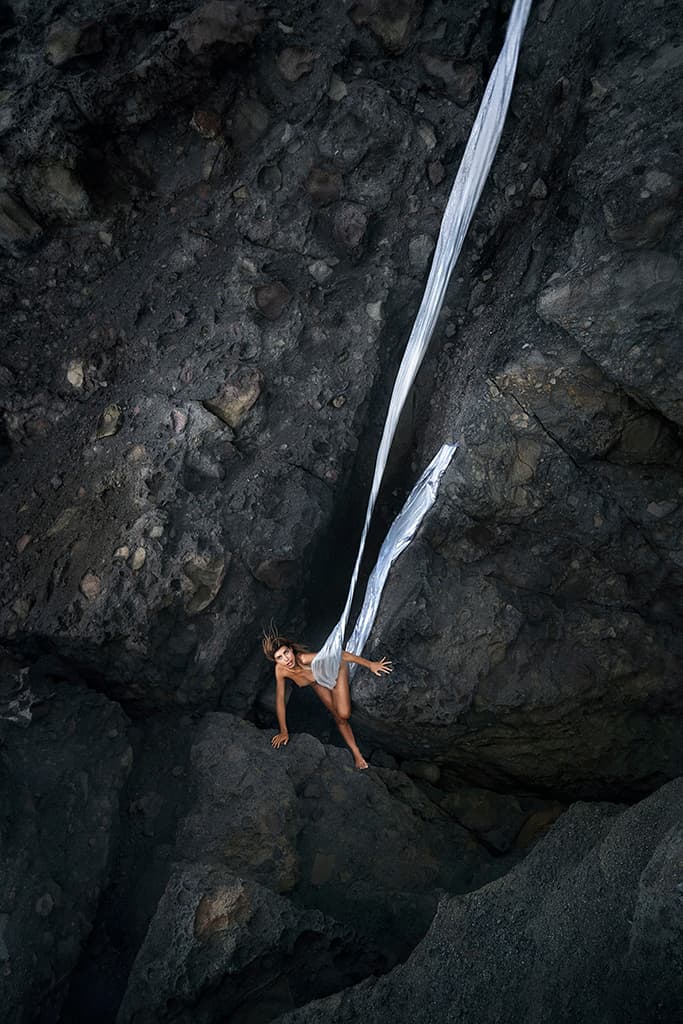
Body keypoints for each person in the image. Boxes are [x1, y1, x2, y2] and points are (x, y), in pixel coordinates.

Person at [262, 629, 392, 770]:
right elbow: (280, 699)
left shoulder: (303, 659)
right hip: (317, 681)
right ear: (275, 661)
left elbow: (339, 654)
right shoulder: (280, 670)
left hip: (335, 672)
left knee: (343, 713)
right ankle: (357, 754)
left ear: (291, 650)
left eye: (286, 652)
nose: (286, 659)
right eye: (279, 657)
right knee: (338, 717)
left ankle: (356, 751)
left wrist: (370, 665)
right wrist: (283, 731)